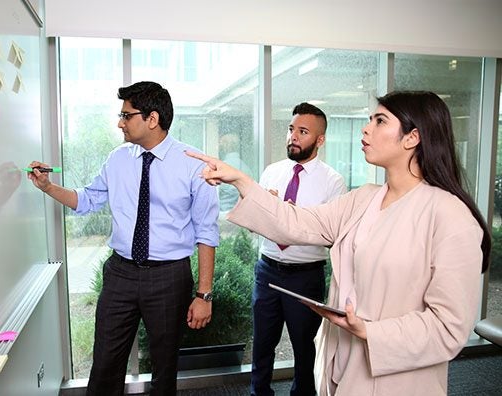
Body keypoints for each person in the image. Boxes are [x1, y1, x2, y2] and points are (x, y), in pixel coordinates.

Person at [187, 91, 491, 396]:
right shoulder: (364, 198)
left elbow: (449, 328)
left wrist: (370, 332)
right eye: (371, 118)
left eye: (380, 120)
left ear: (412, 138)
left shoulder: (450, 215)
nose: (366, 128)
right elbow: (298, 223)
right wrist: (241, 180)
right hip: (343, 364)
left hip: (398, 379)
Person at [27, 81, 219, 396]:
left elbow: (207, 231)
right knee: (105, 363)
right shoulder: (117, 160)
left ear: (152, 119)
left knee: (164, 367)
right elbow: (87, 199)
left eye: (126, 115)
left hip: (169, 276)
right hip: (120, 274)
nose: (120, 122)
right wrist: (48, 187)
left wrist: (204, 295)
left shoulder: (194, 164)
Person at [251, 103, 347, 396]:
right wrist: (266, 211)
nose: (293, 136)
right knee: (262, 343)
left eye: (303, 131)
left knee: (305, 348)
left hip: (305, 276)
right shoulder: (271, 172)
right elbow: (254, 222)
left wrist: (294, 219)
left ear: (320, 140)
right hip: (267, 269)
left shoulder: (333, 182)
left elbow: (331, 235)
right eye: (291, 129)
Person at [218, 133, 253, 211]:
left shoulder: (222, 167)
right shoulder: (246, 169)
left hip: (223, 216)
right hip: (242, 215)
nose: (219, 148)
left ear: (226, 147)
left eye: (221, 145)